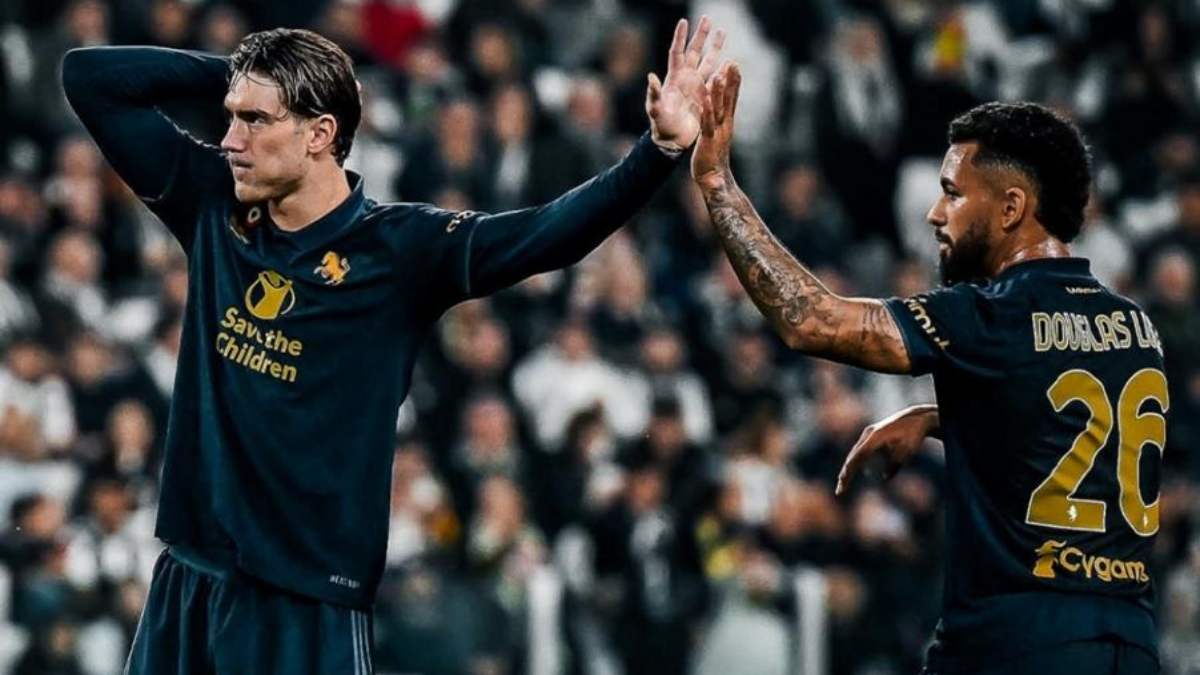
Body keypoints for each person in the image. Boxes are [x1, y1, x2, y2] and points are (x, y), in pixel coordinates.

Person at [61, 20, 725, 674]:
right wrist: (242, 77)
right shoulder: (213, 199)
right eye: (230, 117)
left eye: (255, 120)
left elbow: (549, 234)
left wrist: (657, 152)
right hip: (188, 581)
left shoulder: (401, 249)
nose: (231, 139)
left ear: (320, 133)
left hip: (305, 604)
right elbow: (88, 77)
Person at [692, 63, 1166, 674]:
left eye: (953, 192)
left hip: (1017, 642)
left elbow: (812, 321)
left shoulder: (989, 314)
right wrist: (941, 417)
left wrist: (717, 183)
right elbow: (1062, 419)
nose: (935, 214)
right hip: (1131, 641)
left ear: (1011, 208)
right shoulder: (1136, 327)